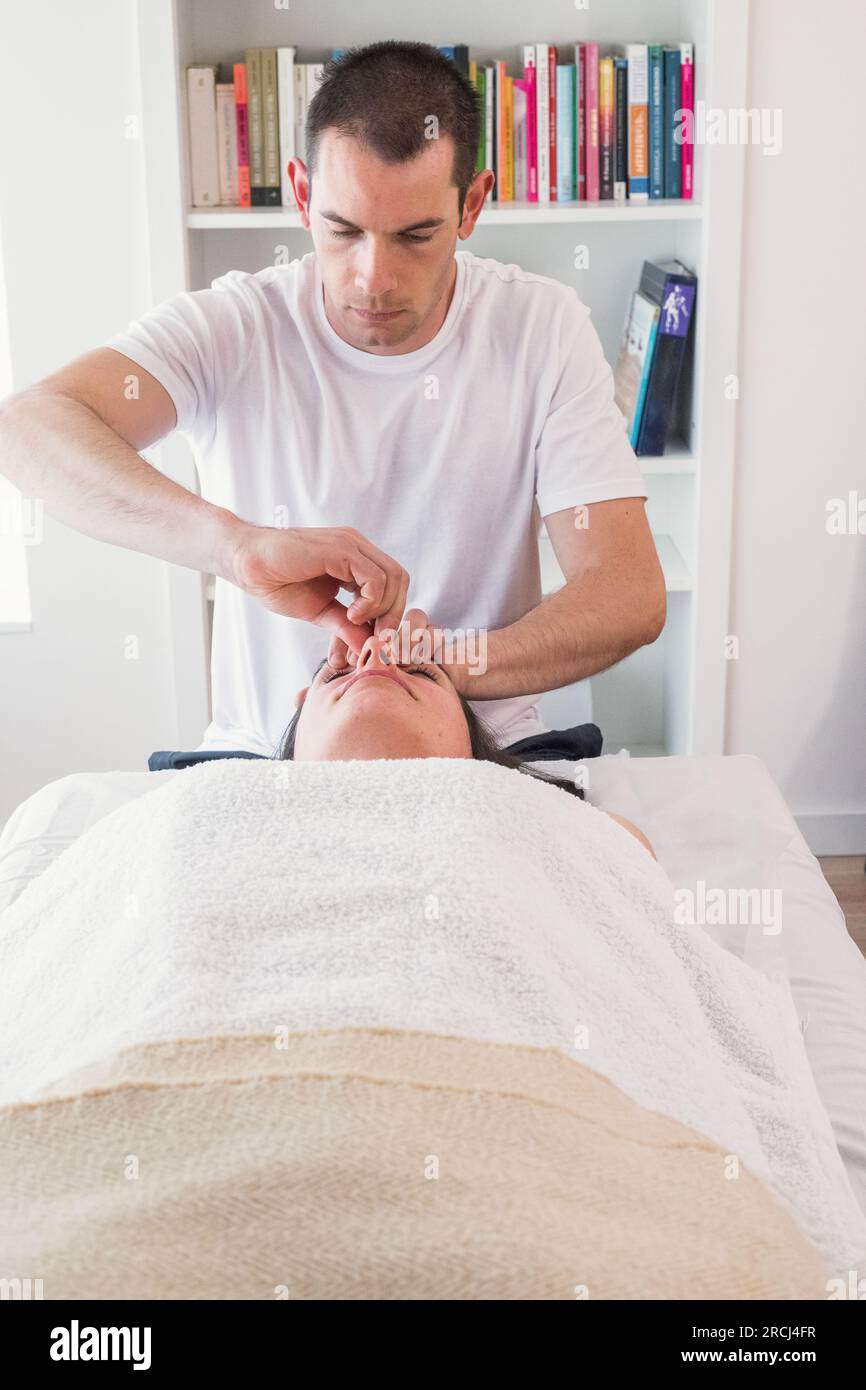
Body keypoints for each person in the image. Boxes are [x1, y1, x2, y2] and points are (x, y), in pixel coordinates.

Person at [0, 40, 665, 764]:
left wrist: (441, 664)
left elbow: (627, 591)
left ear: (472, 204)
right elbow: (27, 429)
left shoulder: (541, 326)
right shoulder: (235, 326)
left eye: (416, 235)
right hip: (264, 759)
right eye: (343, 230)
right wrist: (239, 549)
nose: (373, 278)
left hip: (483, 757)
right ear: (302, 194)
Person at [275, 630, 658, 860]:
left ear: (474, 751)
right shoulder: (220, 808)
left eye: (423, 671)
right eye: (339, 672)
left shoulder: (577, 833)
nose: (374, 653)